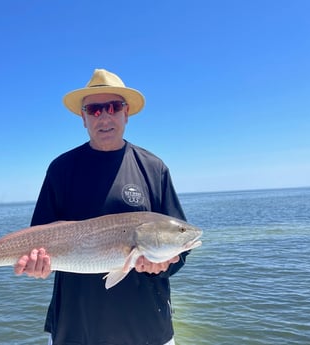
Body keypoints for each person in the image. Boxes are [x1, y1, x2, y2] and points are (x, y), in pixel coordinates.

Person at [14, 69, 190, 345]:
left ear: (126, 113)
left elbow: (181, 248)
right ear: (83, 118)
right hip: (74, 329)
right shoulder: (61, 169)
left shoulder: (154, 169)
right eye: (95, 109)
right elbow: (37, 239)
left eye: (114, 107)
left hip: (148, 331)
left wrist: (165, 264)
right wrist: (37, 266)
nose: (105, 117)